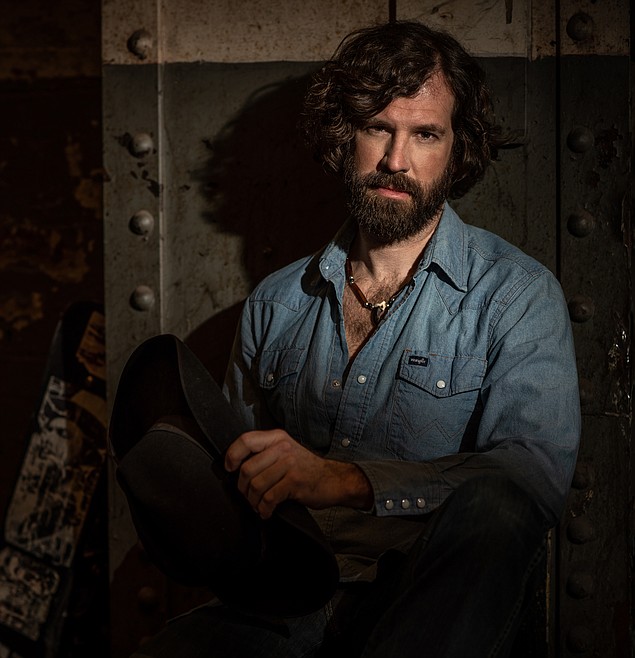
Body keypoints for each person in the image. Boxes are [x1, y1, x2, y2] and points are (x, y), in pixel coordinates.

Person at [133, 20, 580, 658]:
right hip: (290, 601)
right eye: (378, 128)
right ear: (346, 137)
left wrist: (344, 481)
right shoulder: (276, 303)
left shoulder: (514, 295)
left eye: (425, 134)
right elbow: (238, 482)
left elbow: (533, 477)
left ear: (457, 150)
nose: (396, 161)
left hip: (428, 600)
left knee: (497, 504)